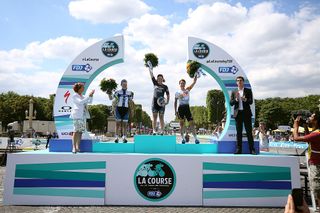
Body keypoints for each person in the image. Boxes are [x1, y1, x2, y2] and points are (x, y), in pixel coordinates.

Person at [293, 112, 320, 207]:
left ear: (316, 120)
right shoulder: (317, 132)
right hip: (316, 162)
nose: (308, 117)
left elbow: (296, 138)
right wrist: (305, 126)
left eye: (311, 116)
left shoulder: (316, 134)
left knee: (317, 188)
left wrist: (295, 125)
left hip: (316, 164)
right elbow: (310, 139)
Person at [230, 76, 256, 155]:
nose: (239, 82)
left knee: (249, 132)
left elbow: (251, 102)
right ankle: (238, 149)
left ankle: (252, 149)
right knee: (239, 133)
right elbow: (231, 103)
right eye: (238, 81)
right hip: (238, 114)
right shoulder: (234, 91)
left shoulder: (248, 91)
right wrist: (236, 100)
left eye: (241, 80)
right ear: (236, 82)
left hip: (246, 114)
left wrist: (245, 100)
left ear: (243, 82)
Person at [70, 82, 95, 154]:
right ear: (78, 88)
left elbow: (90, 101)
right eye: (82, 87)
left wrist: (91, 95)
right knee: (75, 131)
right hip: (77, 115)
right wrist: (88, 96)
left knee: (80, 131)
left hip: (83, 116)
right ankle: (74, 147)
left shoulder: (83, 96)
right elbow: (80, 102)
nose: (83, 88)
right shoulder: (75, 95)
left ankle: (78, 147)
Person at [174, 77, 200, 144]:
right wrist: (175, 111)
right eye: (181, 83)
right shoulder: (177, 92)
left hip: (187, 107)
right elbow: (175, 102)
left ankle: (196, 139)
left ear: (185, 84)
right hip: (181, 108)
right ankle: (183, 139)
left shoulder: (187, 90)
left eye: (183, 83)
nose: (182, 84)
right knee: (182, 124)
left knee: (192, 123)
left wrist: (195, 79)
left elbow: (193, 83)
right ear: (179, 84)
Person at [148, 66, 170, 135]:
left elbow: (168, 94)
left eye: (161, 78)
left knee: (161, 117)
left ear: (162, 79)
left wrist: (167, 102)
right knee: (154, 117)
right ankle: (154, 130)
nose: (160, 79)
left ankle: (162, 130)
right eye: (158, 78)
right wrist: (150, 68)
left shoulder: (165, 86)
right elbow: (151, 75)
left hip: (162, 103)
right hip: (154, 103)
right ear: (157, 79)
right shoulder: (155, 83)